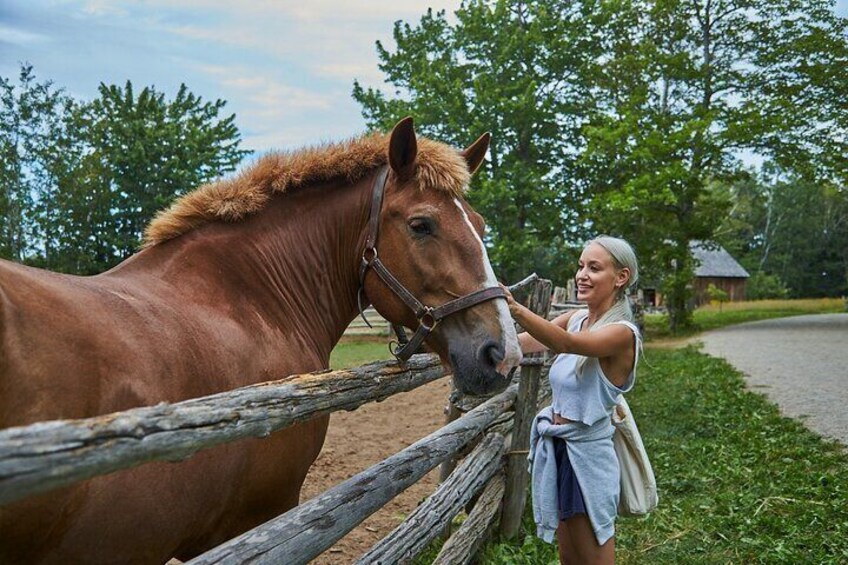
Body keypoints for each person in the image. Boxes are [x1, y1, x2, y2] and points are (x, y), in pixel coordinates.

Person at [503, 235, 641, 565]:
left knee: (593, 557)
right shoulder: (577, 317)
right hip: (562, 451)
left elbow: (564, 343)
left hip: (588, 459)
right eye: (581, 266)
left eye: (594, 267)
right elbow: (522, 344)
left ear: (620, 277)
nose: (582, 274)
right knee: (569, 558)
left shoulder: (622, 333)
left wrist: (513, 306)